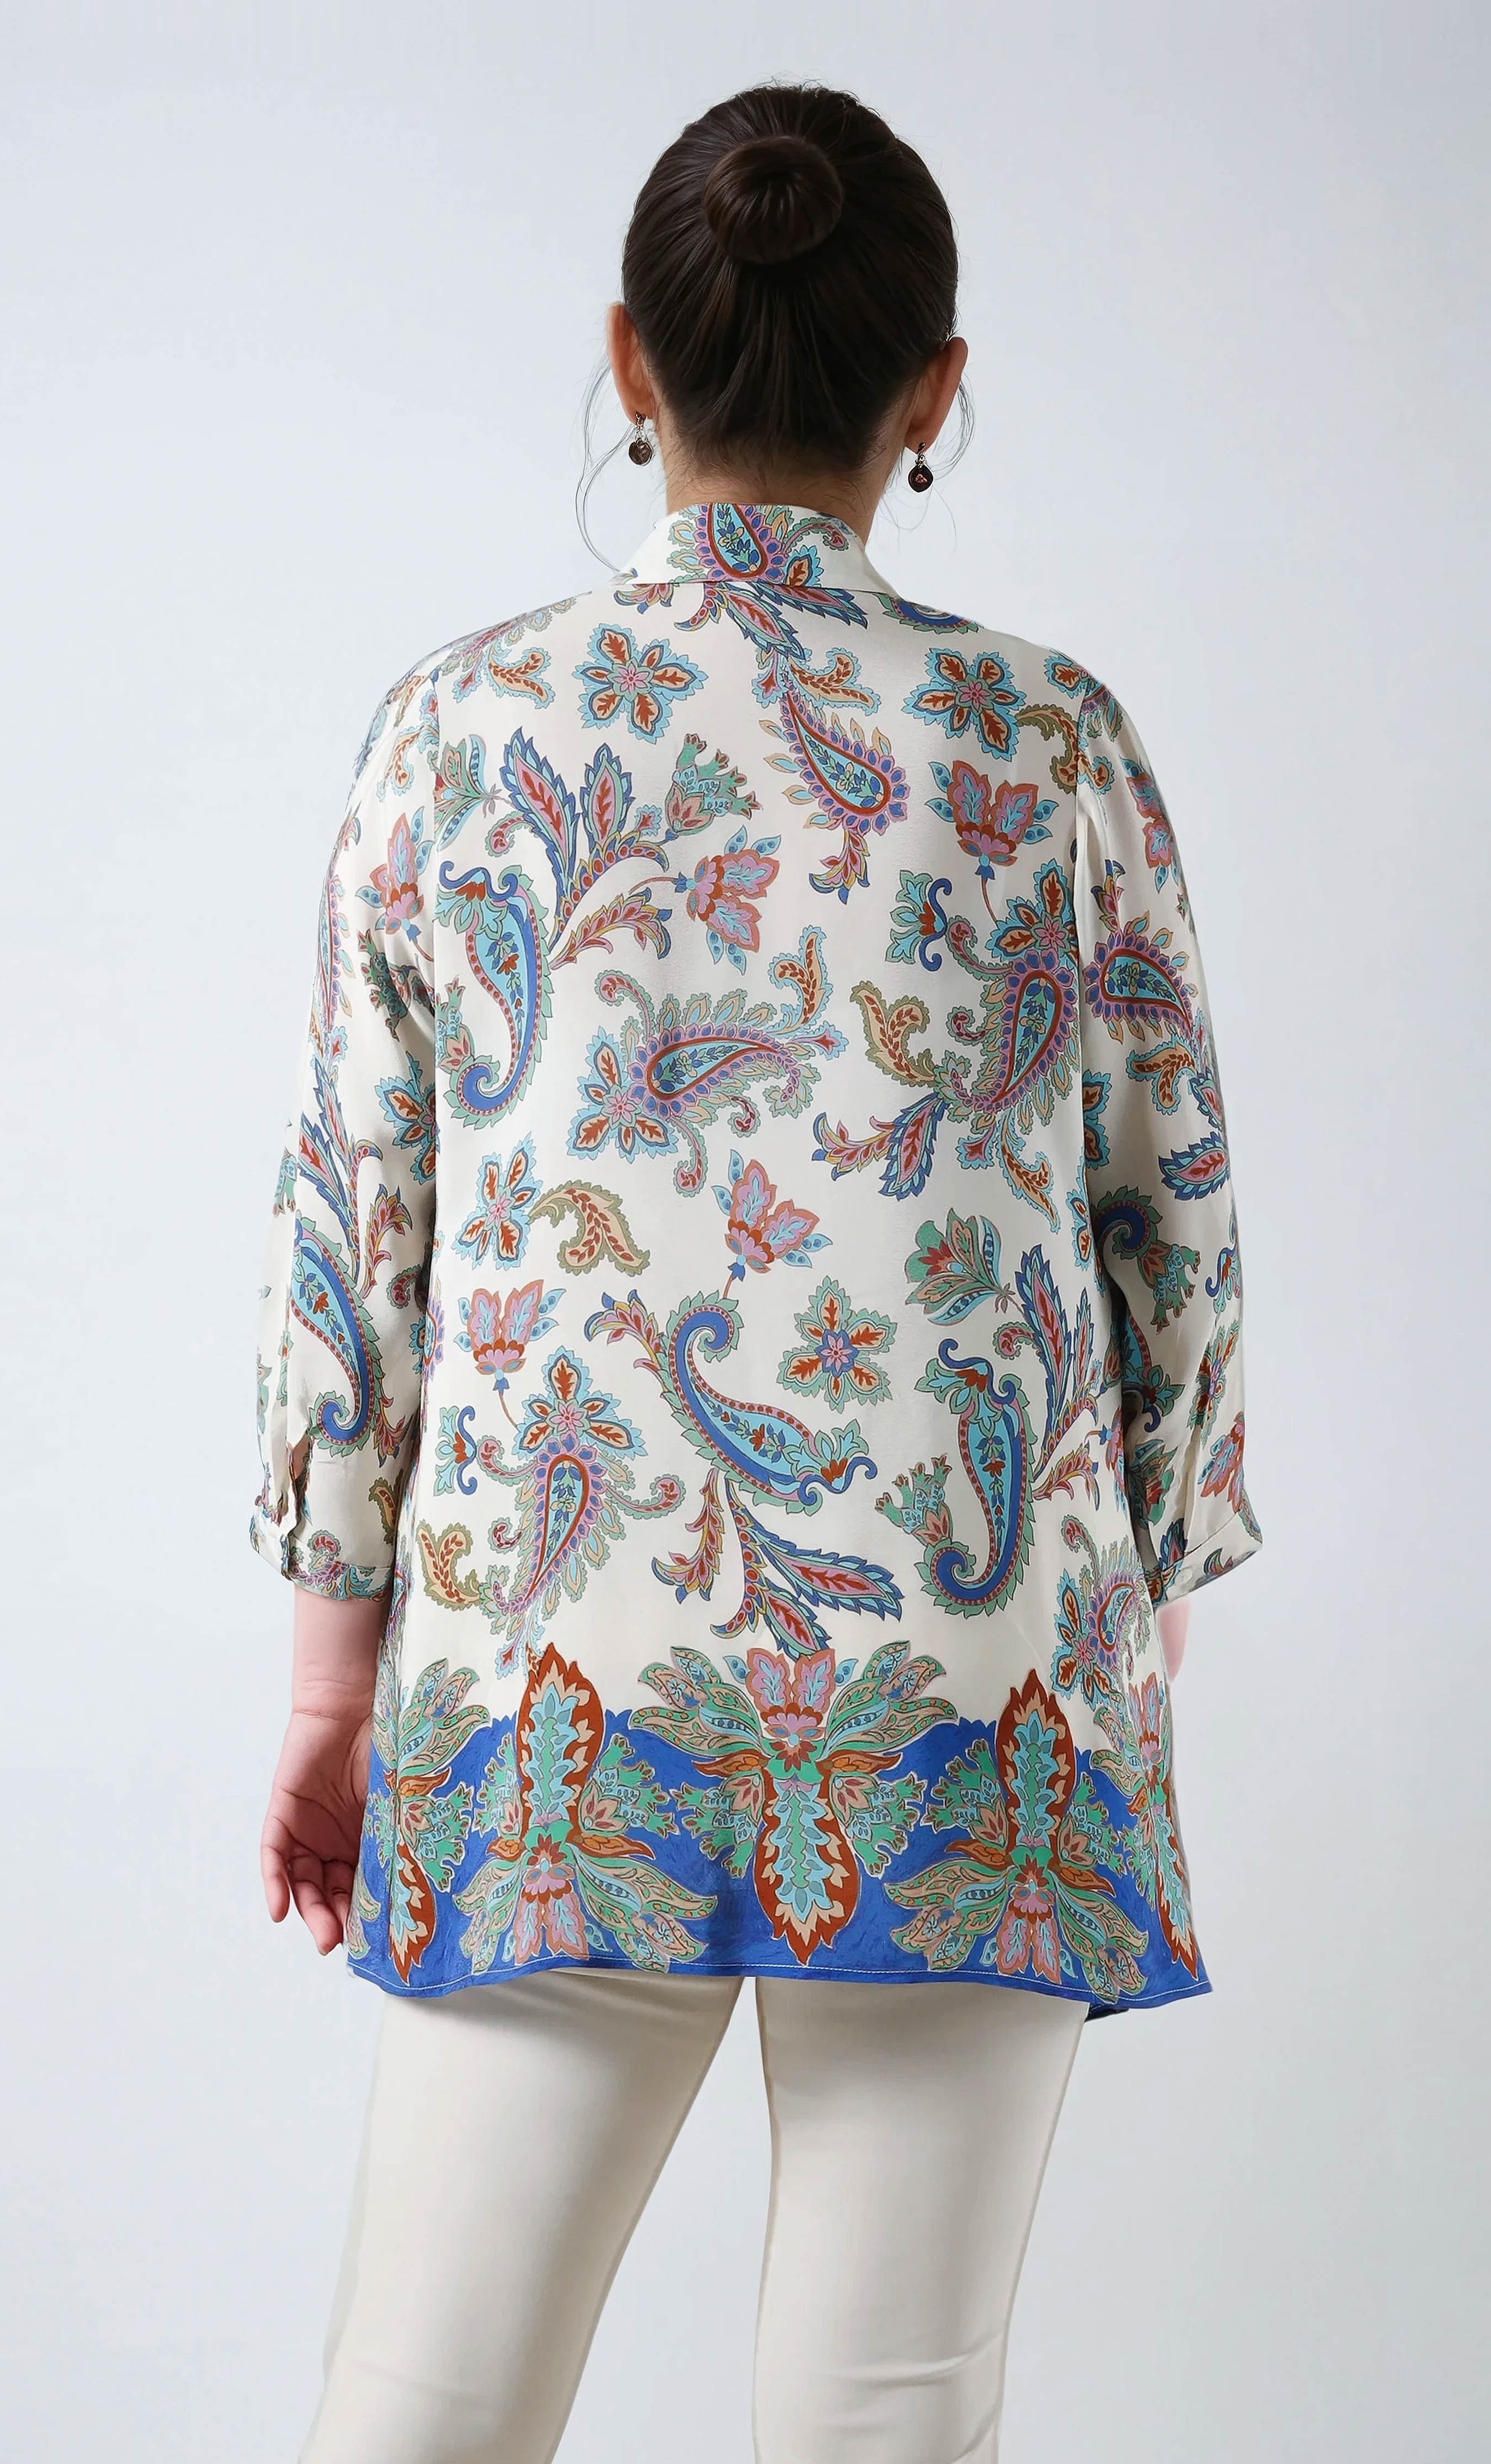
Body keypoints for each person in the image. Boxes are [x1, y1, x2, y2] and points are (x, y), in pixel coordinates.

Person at [252, 79, 1260, 2464]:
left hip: (547, 1681)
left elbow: (357, 1243)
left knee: (420, 2413)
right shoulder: (1050, 744)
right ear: (934, 390)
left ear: (633, 359)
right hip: (982, 1702)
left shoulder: (457, 732)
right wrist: (1130, 1622)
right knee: (887, 2424)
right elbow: (1176, 1243)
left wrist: (327, 1686)